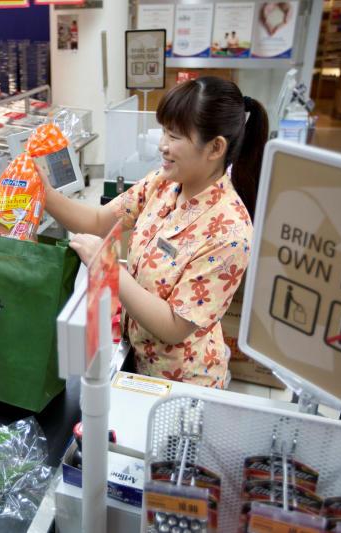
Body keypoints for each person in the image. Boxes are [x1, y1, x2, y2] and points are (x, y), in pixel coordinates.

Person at [42, 77, 268, 388]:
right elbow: (98, 220)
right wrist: (43, 193)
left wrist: (107, 267)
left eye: (174, 136)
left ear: (215, 147)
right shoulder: (164, 183)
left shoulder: (230, 231)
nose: (162, 145)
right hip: (136, 357)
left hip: (183, 385)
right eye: (163, 131)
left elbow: (175, 326)